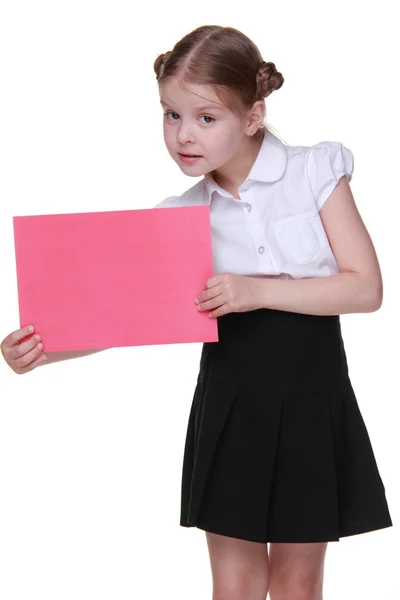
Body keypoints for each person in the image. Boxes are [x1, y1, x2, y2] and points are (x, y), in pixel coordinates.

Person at [1, 24, 392, 600]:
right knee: (233, 585)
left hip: (313, 397)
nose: (183, 135)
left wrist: (254, 291)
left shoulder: (314, 171)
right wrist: (41, 349)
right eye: (170, 115)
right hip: (232, 401)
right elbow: (124, 315)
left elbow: (366, 289)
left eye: (206, 118)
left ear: (253, 116)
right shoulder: (179, 217)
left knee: (298, 583)